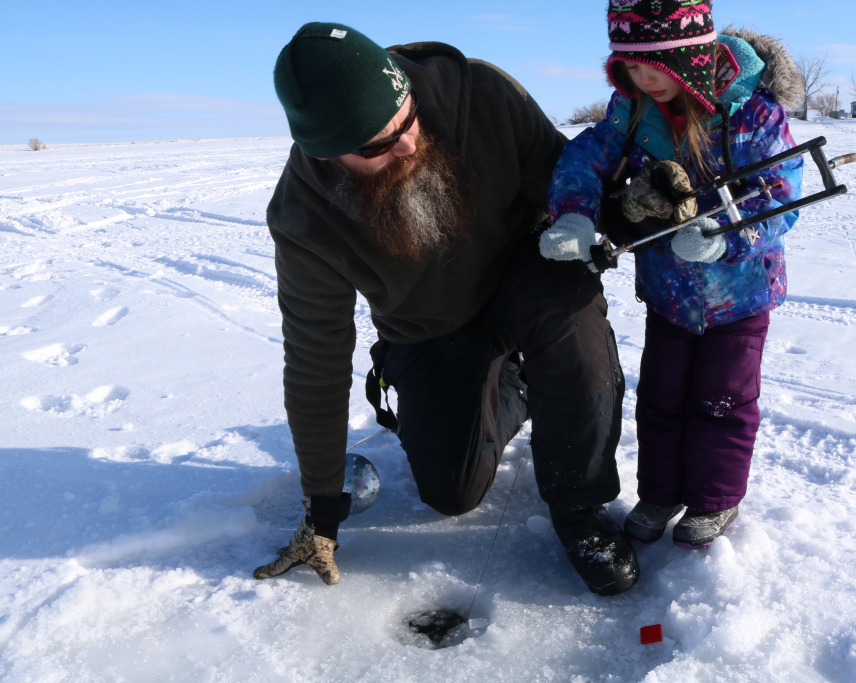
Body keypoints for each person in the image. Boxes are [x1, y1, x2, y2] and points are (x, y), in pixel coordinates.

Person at [252, 23, 639, 596]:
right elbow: (316, 358)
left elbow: (570, 187)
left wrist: (631, 205)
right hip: (431, 330)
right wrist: (323, 510)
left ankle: (580, 509)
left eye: (405, 118)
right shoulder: (303, 217)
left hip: (527, 277)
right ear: (327, 154)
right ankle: (523, 385)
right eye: (378, 146)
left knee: (566, 311)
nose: (407, 143)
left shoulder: (481, 94)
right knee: (451, 494)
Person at [541, 5, 803, 547]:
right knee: (661, 396)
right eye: (631, 67)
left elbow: (780, 198)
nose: (642, 79)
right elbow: (586, 156)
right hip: (668, 294)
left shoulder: (754, 114)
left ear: (688, 56)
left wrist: (727, 239)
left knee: (722, 401)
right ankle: (660, 492)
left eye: (653, 65)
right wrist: (573, 212)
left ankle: (714, 500)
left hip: (741, 298)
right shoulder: (633, 108)